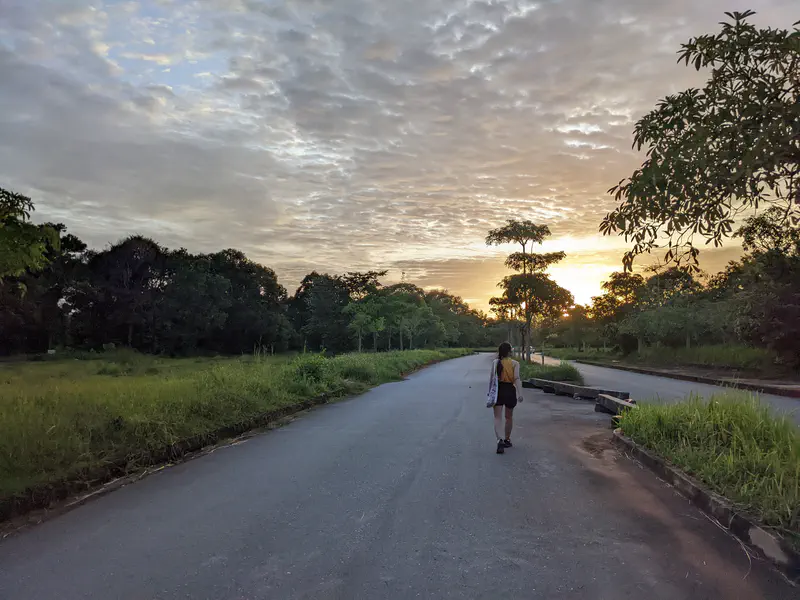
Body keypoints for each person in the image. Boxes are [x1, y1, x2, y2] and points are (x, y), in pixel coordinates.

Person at [486, 342, 523, 454]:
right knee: (508, 417)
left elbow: (492, 380)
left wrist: (490, 393)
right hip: (510, 391)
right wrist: (520, 393)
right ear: (509, 352)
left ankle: (499, 440)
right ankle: (507, 439)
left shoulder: (495, 363)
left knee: (497, 418)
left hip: (498, 390)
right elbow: (516, 378)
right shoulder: (515, 363)